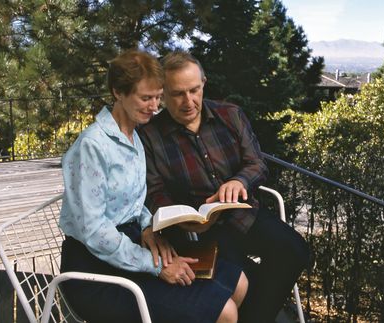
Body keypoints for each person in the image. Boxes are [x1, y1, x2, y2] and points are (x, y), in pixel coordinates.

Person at [59, 49, 248, 323]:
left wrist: (148, 226)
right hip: (95, 270)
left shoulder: (134, 137)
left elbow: (134, 202)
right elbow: (94, 231)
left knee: (239, 282)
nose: (155, 106)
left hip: (135, 244)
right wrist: (155, 266)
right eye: (146, 98)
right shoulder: (92, 146)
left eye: (158, 97)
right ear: (118, 93)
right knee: (225, 312)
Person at [138, 51, 309, 323]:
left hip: (243, 214)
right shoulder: (149, 135)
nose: (188, 101)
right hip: (198, 233)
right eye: (177, 94)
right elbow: (154, 191)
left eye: (194, 90)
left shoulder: (230, 115)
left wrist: (238, 181)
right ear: (163, 94)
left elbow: (257, 164)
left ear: (204, 82)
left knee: (295, 250)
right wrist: (182, 221)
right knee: (242, 279)